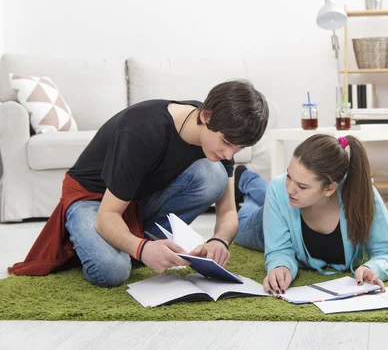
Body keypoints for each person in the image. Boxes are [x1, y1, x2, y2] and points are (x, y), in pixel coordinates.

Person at [9, 79, 269, 288]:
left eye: (239, 148)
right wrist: (142, 250)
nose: (229, 155)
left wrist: (220, 242)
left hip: (138, 199)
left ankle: (134, 245)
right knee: (112, 271)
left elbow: (227, 211)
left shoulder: (221, 133)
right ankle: (99, 243)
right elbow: (107, 215)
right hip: (94, 201)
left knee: (214, 174)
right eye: (226, 143)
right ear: (207, 116)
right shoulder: (143, 131)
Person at [233, 134, 388, 294]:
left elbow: (387, 252)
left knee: (275, 192)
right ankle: (247, 180)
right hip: (264, 222)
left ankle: (250, 182)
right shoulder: (280, 190)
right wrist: (280, 267)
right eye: (289, 176)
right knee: (238, 228)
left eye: (302, 186)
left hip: (286, 203)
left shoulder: (363, 196)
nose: (290, 188)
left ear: (329, 188)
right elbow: (279, 251)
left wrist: (374, 268)